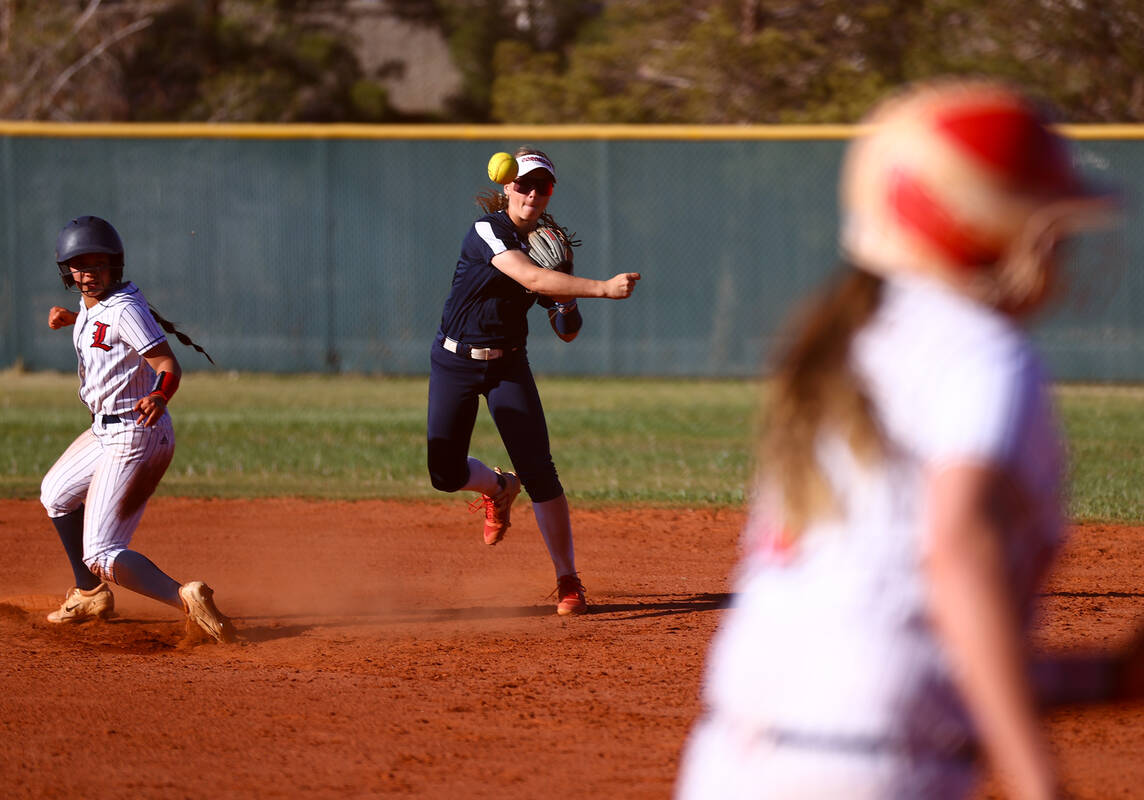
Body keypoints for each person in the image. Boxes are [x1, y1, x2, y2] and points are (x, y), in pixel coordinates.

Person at [675, 79, 1144, 799]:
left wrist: (1107, 676)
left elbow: (893, 654)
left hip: (733, 760)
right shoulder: (982, 350)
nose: (1060, 252)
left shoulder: (852, 348)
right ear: (985, 228)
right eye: (1046, 225)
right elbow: (958, 552)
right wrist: (1036, 780)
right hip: (872, 771)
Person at [427, 148, 640, 615]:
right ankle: (498, 487)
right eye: (523, 184)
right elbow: (526, 276)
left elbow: (568, 331)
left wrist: (564, 291)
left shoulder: (547, 247)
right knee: (443, 474)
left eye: (541, 186)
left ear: (549, 193)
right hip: (455, 361)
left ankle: (568, 580)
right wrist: (600, 287)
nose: (531, 193)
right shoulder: (487, 231)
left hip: (508, 366)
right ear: (507, 187)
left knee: (541, 471)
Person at [40, 215, 234, 644]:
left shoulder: (124, 307)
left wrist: (160, 395)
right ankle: (90, 593)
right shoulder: (99, 307)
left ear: (115, 265)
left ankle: (186, 599)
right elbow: (104, 329)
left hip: (135, 433)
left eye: (97, 264)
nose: (89, 273)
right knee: (55, 493)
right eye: (79, 266)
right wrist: (74, 319)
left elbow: (167, 364)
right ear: (67, 271)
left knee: (101, 552)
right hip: (107, 431)